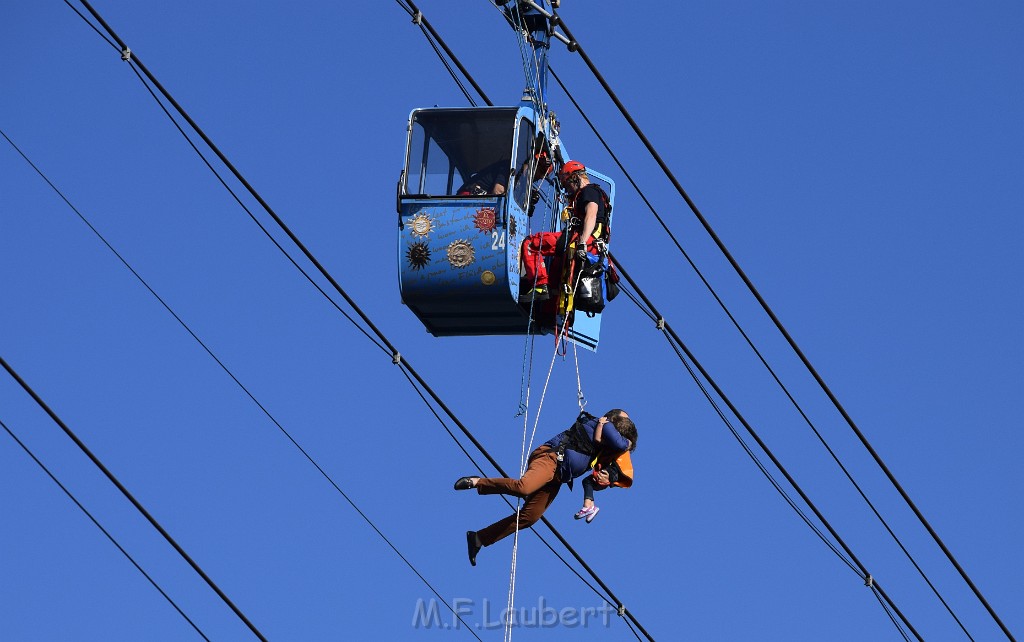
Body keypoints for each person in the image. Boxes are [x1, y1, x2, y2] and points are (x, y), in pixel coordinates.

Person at [454, 408, 637, 566]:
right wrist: (628, 444)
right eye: (625, 419)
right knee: (524, 487)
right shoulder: (601, 423)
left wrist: (607, 479)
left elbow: (593, 481)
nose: (627, 423)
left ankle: (478, 538)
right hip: (550, 459)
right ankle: (478, 482)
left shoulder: (603, 446)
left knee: (530, 517)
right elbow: (621, 443)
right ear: (614, 420)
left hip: (558, 477)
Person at [519, 160, 611, 303]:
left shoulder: (589, 191)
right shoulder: (589, 194)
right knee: (556, 276)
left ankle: (540, 286)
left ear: (575, 177)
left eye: (568, 184)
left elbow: (591, 215)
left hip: (582, 241)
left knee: (532, 243)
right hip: (589, 245)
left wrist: (581, 243)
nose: (567, 190)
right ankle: (548, 307)